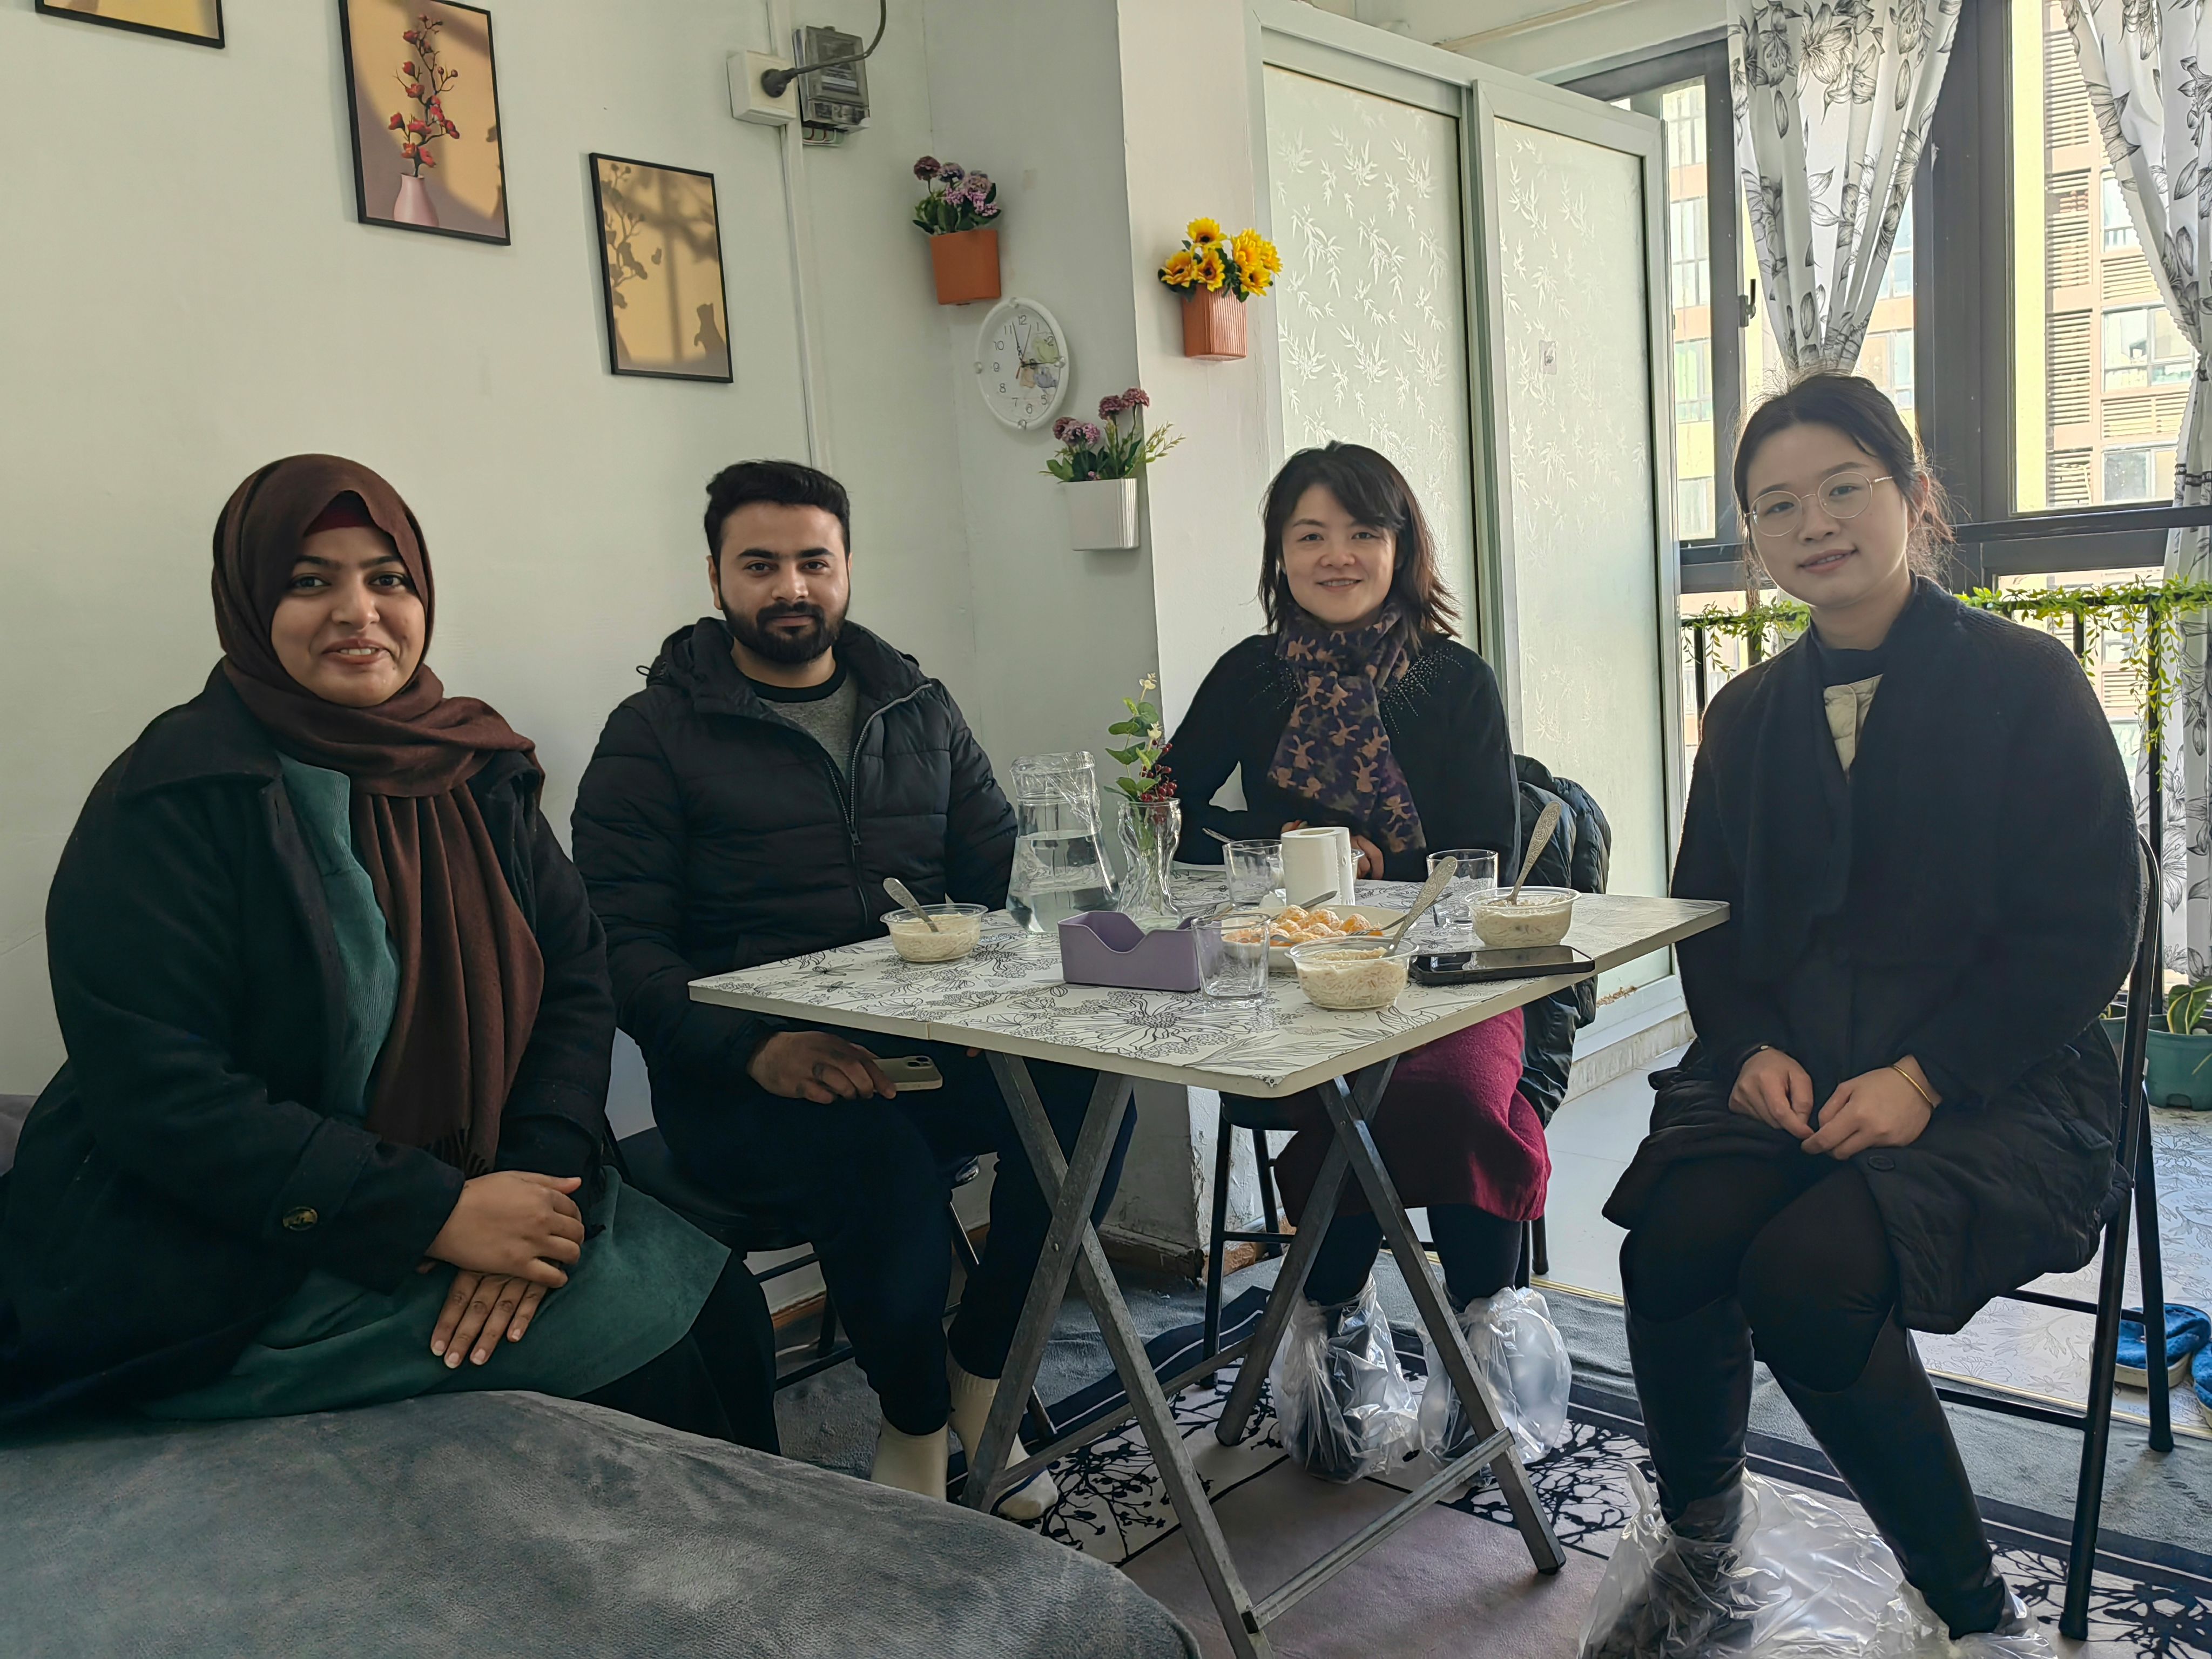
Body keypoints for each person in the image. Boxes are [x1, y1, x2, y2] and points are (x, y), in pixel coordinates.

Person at [0, 456, 778, 1452]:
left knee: (728, 1311)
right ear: (249, 601)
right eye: (309, 580)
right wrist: (432, 1215)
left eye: (387, 578)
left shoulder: (479, 768)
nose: (357, 611)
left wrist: (534, 1191)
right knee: (649, 1370)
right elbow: (163, 1090)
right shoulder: (172, 795)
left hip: (485, 1176)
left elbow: (575, 985)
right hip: (233, 1242)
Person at [1597, 374, 2139, 1655]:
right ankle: (1700, 1559)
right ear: (1750, 538)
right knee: (1666, 1246)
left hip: (1999, 1079)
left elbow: (2085, 936)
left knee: (1806, 1281)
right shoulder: (1743, 715)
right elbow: (1710, 921)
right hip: (1794, 1071)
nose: (1814, 524)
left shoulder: (2025, 682)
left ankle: (1972, 1617)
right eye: (1776, 506)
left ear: (1914, 497)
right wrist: (1744, 1048)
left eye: (1843, 488)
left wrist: (1925, 1076)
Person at [571, 459, 1128, 1514]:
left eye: (812, 562)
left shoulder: (918, 707)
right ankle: (914, 1421)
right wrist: (755, 1050)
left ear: (847, 567)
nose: (791, 587)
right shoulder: (651, 734)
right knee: (880, 1168)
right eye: (760, 565)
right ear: (715, 576)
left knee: (1092, 1103)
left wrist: (993, 992)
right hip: (744, 1077)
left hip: (926, 1042)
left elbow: (997, 876)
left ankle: (983, 1370)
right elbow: (616, 944)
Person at [1168, 441, 1546, 1443]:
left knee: (1454, 1102)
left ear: (1401, 547)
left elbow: (1488, 852)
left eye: (1363, 533)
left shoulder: (1454, 679)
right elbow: (1163, 804)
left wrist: (1389, 861)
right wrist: (1272, 847)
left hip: (1447, 970)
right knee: (1344, 1102)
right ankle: (1334, 1349)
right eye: (1311, 535)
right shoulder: (1249, 677)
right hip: (1294, 977)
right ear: (1280, 554)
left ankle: (1478, 1354)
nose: (1337, 556)